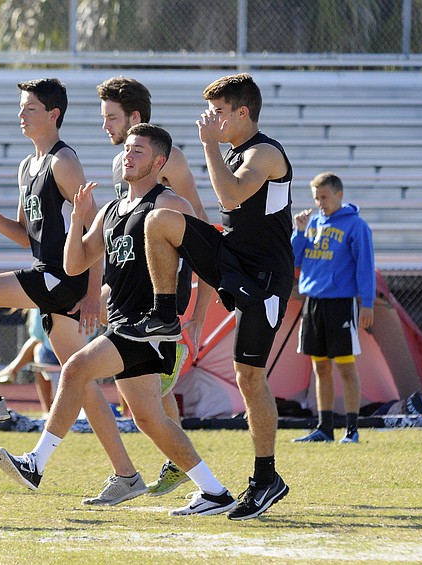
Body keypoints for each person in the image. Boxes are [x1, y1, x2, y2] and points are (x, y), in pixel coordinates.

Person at [0, 124, 236, 516]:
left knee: (75, 368)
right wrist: (76, 221)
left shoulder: (172, 205)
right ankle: (215, 492)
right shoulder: (110, 209)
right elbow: (75, 264)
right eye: (126, 149)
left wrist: (195, 319)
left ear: (159, 163)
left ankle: (36, 463)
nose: (128, 155)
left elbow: (203, 265)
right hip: (124, 323)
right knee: (148, 419)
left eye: (138, 151)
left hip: (151, 327)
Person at [0, 78, 148, 506]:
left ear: (53, 114)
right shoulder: (26, 166)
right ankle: (126, 476)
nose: (22, 116)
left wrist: (93, 292)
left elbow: (96, 227)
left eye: (30, 109)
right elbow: (25, 236)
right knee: (82, 382)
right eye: (21, 108)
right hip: (48, 272)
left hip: (63, 278)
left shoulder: (64, 161)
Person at [114, 73, 293, 520]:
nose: (210, 119)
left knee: (248, 377)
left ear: (242, 113)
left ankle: (266, 478)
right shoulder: (232, 152)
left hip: (265, 277)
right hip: (234, 260)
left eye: (218, 112)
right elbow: (219, 220)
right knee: (160, 221)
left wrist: (209, 145)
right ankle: (162, 314)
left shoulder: (265, 153)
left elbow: (229, 197)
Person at [96, 75, 216, 497]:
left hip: (162, 292)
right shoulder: (125, 164)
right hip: (128, 288)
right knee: (142, 392)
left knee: (118, 377)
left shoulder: (170, 160)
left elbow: (198, 227)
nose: (105, 126)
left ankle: (153, 469)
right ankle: (177, 461)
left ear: (135, 117)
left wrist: (198, 313)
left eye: (111, 117)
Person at [291, 172, 375, 444]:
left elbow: (365, 268)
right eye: (316, 198)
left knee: (346, 368)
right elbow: (294, 259)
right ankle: (324, 428)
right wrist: (299, 231)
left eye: (324, 197)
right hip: (313, 303)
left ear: (339, 193)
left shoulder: (356, 226)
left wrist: (368, 304)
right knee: (320, 368)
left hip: (342, 304)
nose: (320, 203)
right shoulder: (312, 222)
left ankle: (352, 430)